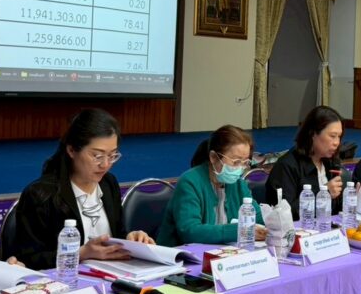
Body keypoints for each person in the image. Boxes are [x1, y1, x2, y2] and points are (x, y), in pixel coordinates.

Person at [14, 108, 153, 271]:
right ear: (72, 150)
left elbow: (115, 235)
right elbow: (27, 260)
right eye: (97, 156)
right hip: (65, 279)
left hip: (109, 275)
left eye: (112, 155)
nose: (105, 164)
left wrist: (131, 239)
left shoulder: (108, 184)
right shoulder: (40, 195)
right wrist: (81, 253)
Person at [157, 125, 266, 246]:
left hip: (223, 251)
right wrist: (238, 230)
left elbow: (258, 217)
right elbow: (189, 231)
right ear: (213, 157)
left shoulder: (238, 183)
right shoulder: (189, 182)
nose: (240, 168)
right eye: (236, 162)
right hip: (181, 253)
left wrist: (274, 220)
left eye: (245, 162)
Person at [266, 105, 347, 219]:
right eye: (332, 136)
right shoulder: (287, 166)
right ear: (313, 134)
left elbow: (337, 209)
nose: (337, 142)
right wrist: (323, 195)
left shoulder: (331, 163)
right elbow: (284, 213)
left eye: (339, 137)